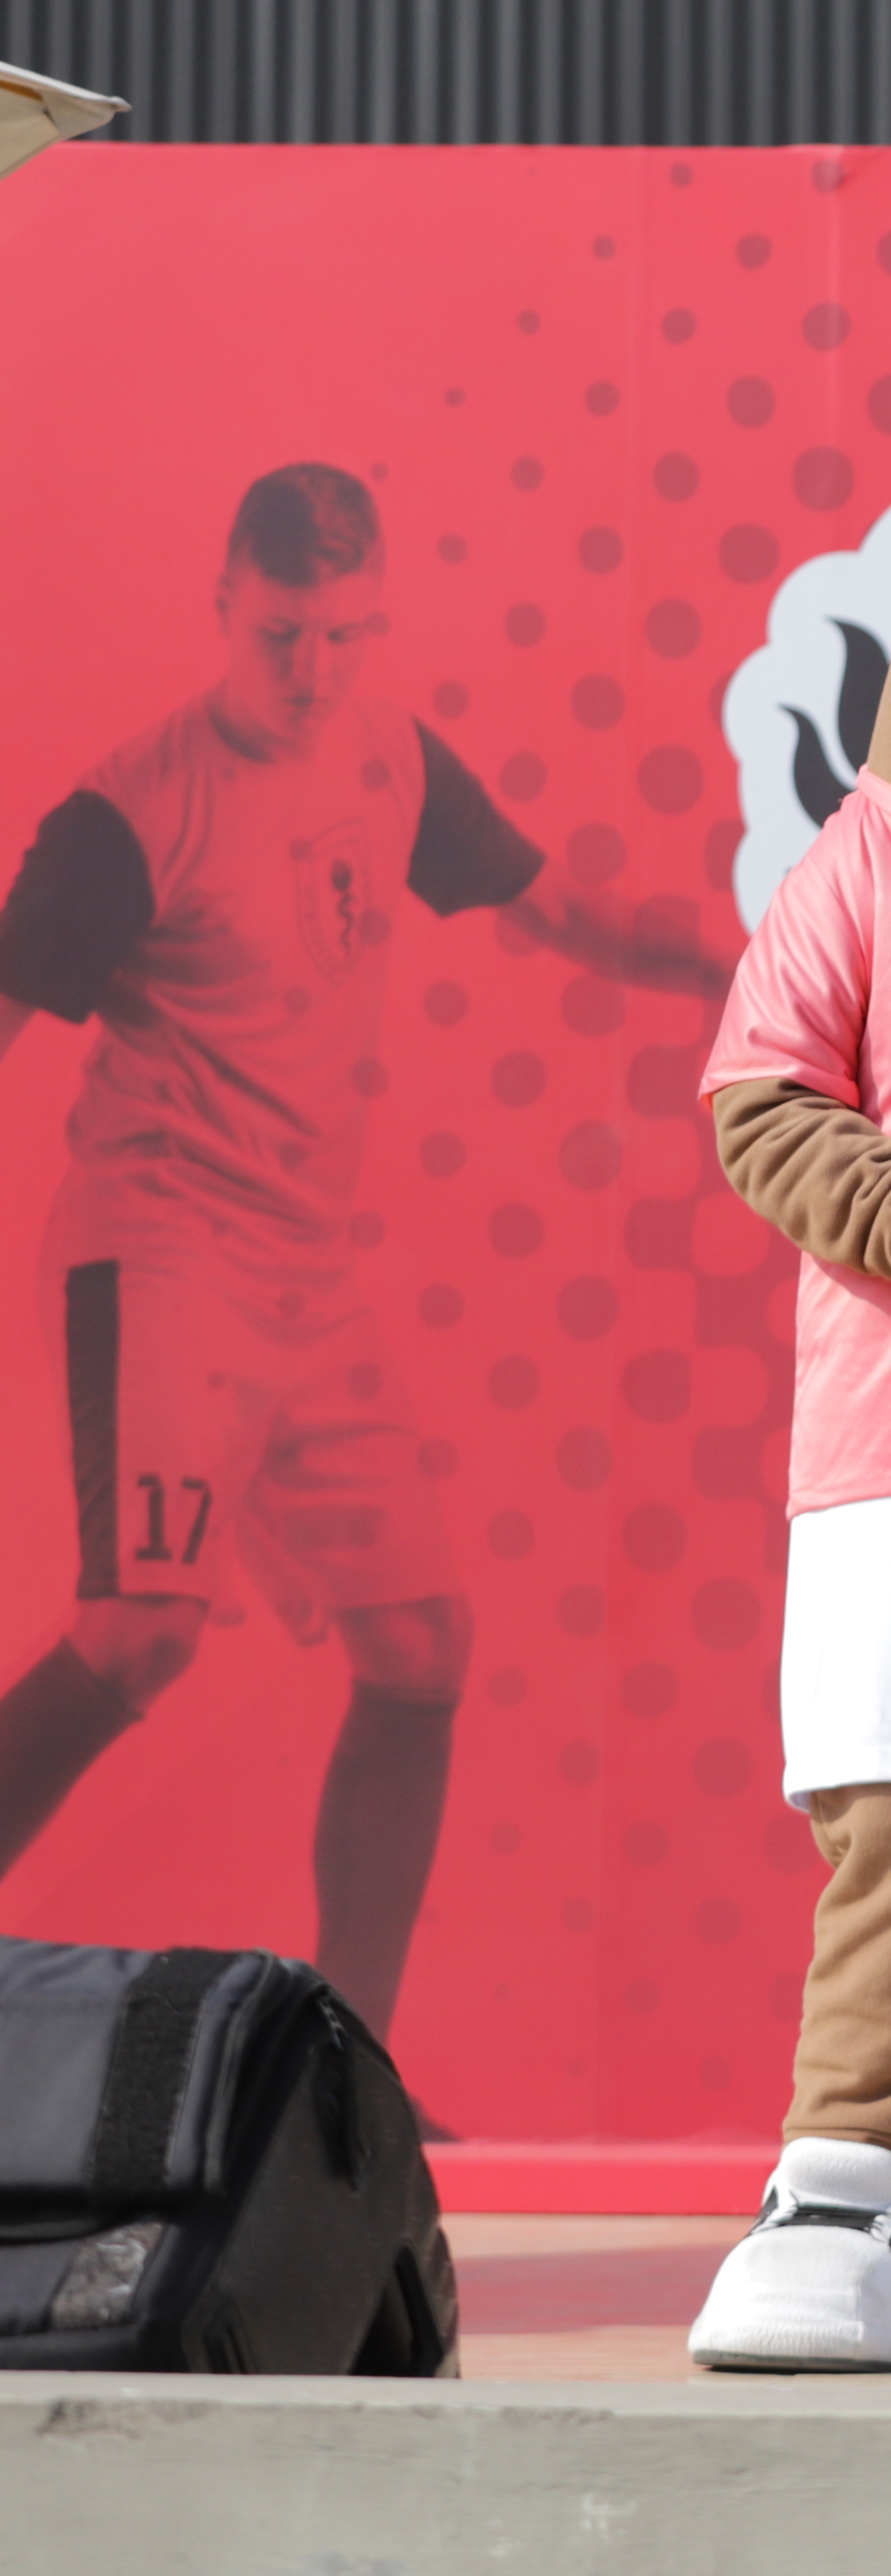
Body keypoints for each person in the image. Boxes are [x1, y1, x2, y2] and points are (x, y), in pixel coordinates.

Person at [0, 462, 728, 2049]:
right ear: (223, 607)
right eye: (280, 634)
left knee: (420, 1644)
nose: (311, 669)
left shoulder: (390, 761)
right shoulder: (129, 818)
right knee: (141, 1628)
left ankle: (354, 2076)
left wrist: (750, 964)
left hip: (306, 1278)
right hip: (164, 1246)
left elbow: (571, 915)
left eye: (344, 633)